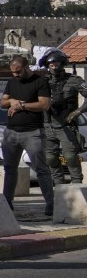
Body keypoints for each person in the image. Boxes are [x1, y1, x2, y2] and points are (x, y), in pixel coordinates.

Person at [0, 55, 54, 220]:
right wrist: (12, 101)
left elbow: (44, 104)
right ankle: (7, 202)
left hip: (32, 132)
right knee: (10, 169)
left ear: (26, 67)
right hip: (11, 132)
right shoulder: (11, 82)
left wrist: (21, 105)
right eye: (13, 72)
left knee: (41, 169)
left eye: (18, 71)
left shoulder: (40, 81)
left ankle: (50, 203)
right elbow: (2, 102)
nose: (16, 75)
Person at [40, 50, 83, 185]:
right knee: (50, 158)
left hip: (66, 124)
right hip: (48, 124)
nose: (54, 66)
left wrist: (78, 112)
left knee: (70, 157)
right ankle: (58, 186)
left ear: (63, 63)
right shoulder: (42, 81)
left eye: (57, 63)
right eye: (51, 64)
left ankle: (77, 184)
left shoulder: (74, 80)